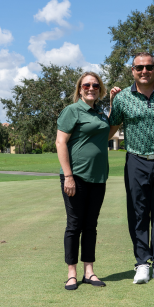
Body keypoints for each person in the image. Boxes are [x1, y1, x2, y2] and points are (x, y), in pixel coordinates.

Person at [108, 52, 154, 284]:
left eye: (149, 67)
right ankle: (142, 263)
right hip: (135, 161)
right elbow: (111, 128)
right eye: (139, 68)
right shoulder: (122, 98)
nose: (144, 71)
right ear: (132, 71)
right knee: (138, 213)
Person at [56, 71, 113, 290]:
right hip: (75, 176)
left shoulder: (100, 112)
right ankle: (72, 273)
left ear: (100, 89)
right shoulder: (72, 110)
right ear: (80, 89)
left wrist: (111, 103)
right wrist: (68, 176)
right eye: (87, 85)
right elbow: (60, 142)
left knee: (91, 225)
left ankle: (89, 272)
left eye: (95, 85)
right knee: (74, 225)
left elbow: (105, 133)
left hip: (98, 177)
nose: (91, 88)